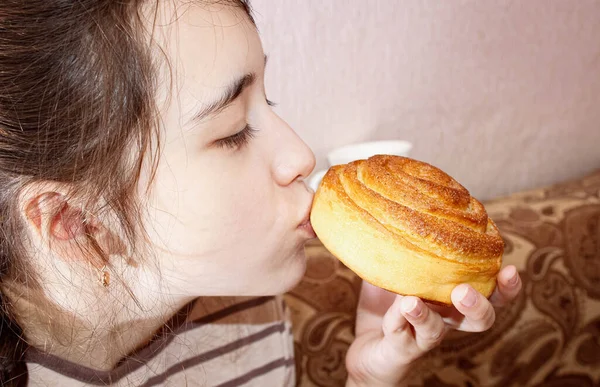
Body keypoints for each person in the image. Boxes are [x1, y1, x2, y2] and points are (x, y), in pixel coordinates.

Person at [0, 1, 522, 386]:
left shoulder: (243, 310)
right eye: (231, 130)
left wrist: (370, 381)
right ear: (74, 220)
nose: (301, 156)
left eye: (267, 100)